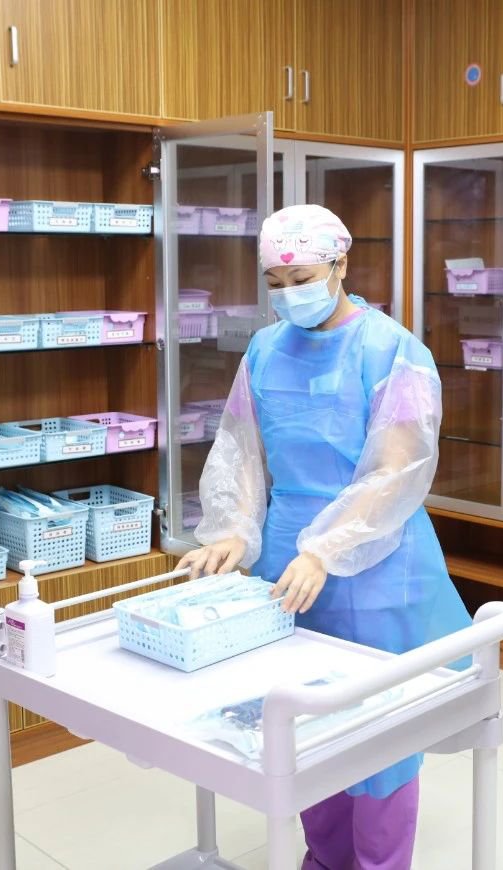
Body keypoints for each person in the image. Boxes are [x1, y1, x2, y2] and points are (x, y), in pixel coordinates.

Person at [177, 203, 472, 870]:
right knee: (305, 722)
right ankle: (325, 859)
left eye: (302, 278)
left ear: (341, 265)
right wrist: (234, 529)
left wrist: (327, 548)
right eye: (275, 283)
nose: (288, 295)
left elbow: (397, 471)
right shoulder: (264, 349)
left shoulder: (392, 349)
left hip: (376, 559)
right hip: (287, 559)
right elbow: (241, 449)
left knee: (380, 730)